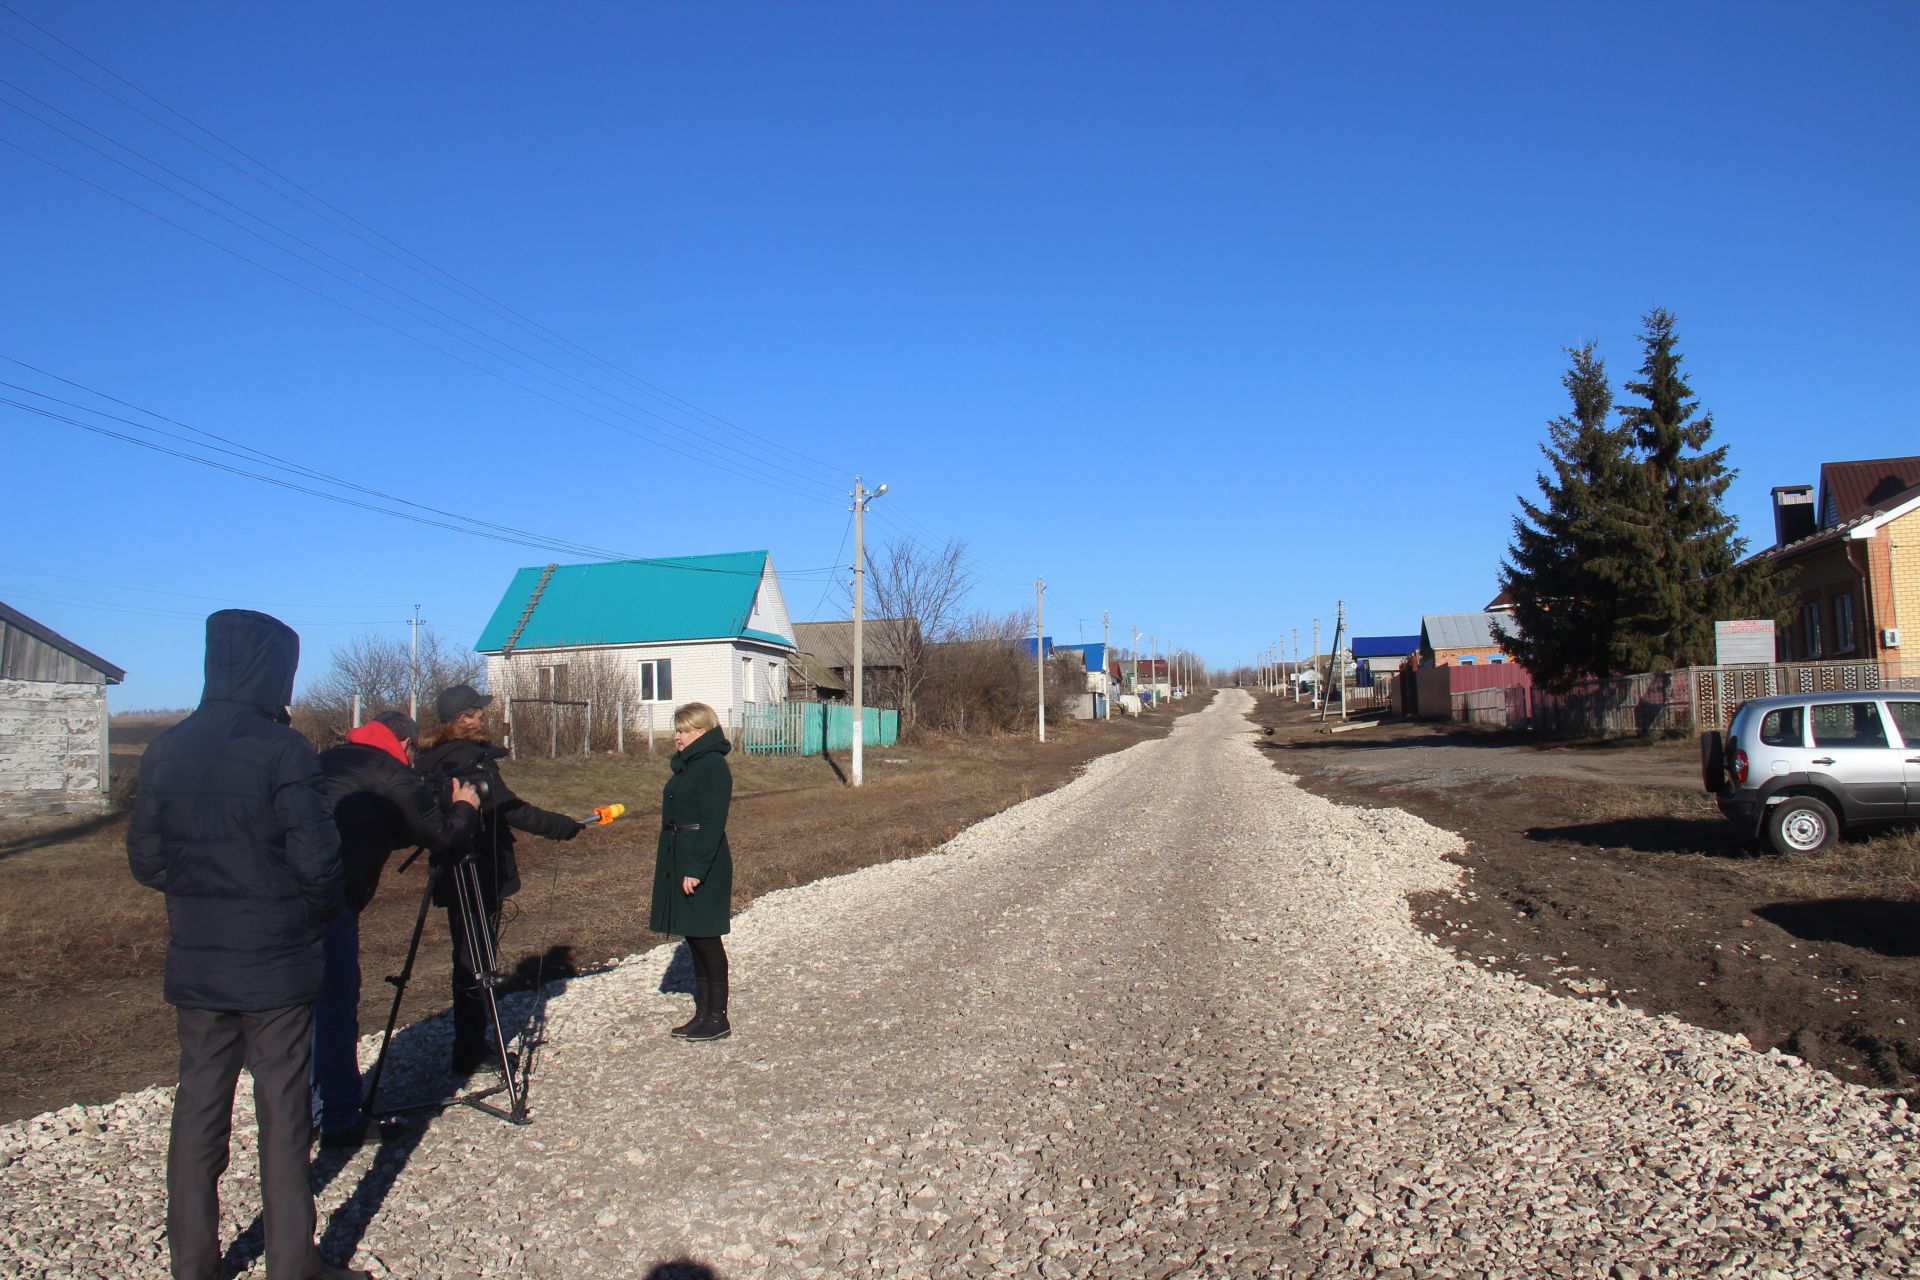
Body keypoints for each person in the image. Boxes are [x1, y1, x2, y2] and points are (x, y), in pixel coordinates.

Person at [127, 610, 370, 1280]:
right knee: (283, 1109)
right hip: (276, 964)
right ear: (275, 672)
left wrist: (207, 893)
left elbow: (147, 862)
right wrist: (304, 912)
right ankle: (293, 1264)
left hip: (199, 960)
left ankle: (193, 1265)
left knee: (199, 1106)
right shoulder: (282, 750)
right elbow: (321, 867)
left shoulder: (165, 748)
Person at [312, 710, 480, 1146]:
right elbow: (441, 835)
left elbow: (385, 827)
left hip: (277, 899)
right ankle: (339, 1117)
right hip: (331, 900)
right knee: (334, 1006)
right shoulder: (391, 774)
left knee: (299, 1012)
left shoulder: (328, 760)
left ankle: (300, 1112)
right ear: (406, 744)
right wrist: (463, 806)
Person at [415, 683, 582, 1074]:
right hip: (478, 867)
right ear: (463, 718)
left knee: (467, 949)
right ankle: (470, 1046)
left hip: (449, 864)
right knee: (474, 958)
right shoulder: (471, 759)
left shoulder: (428, 756)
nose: (484, 716)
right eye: (478, 712)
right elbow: (509, 808)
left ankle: (468, 1040)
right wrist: (562, 826)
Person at [650, 701, 735, 1042]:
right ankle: (702, 1015)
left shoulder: (712, 766)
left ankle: (718, 1018)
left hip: (703, 861)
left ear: (702, 731)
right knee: (694, 936)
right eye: (677, 729)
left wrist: (696, 869)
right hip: (680, 857)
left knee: (706, 937)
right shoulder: (688, 766)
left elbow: (713, 824)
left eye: (683, 730)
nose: (677, 736)